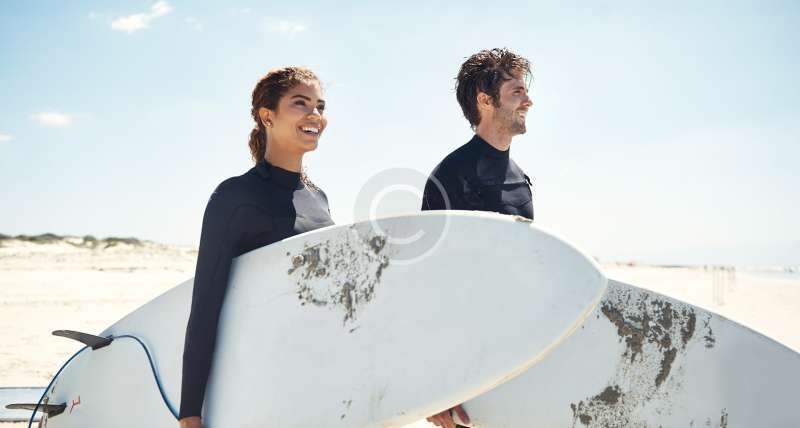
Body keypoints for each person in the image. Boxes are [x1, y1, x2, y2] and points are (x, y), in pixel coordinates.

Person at [178, 67, 334, 428]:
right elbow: (205, 307)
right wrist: (190, 413)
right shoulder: (234, 197)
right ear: (268, 116)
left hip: (318, 375)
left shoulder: (319, 199)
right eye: (300, 103)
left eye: (320, 106)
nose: (315, 115)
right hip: (263, 381)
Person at [421, 48, 534, 428]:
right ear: (485, 101)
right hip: (464, 371)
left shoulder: (520, 178)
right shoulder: (451, 175)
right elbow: (430, 281)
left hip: (514, 361)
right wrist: (433, 381)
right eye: (517, 91)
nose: (528, 101)